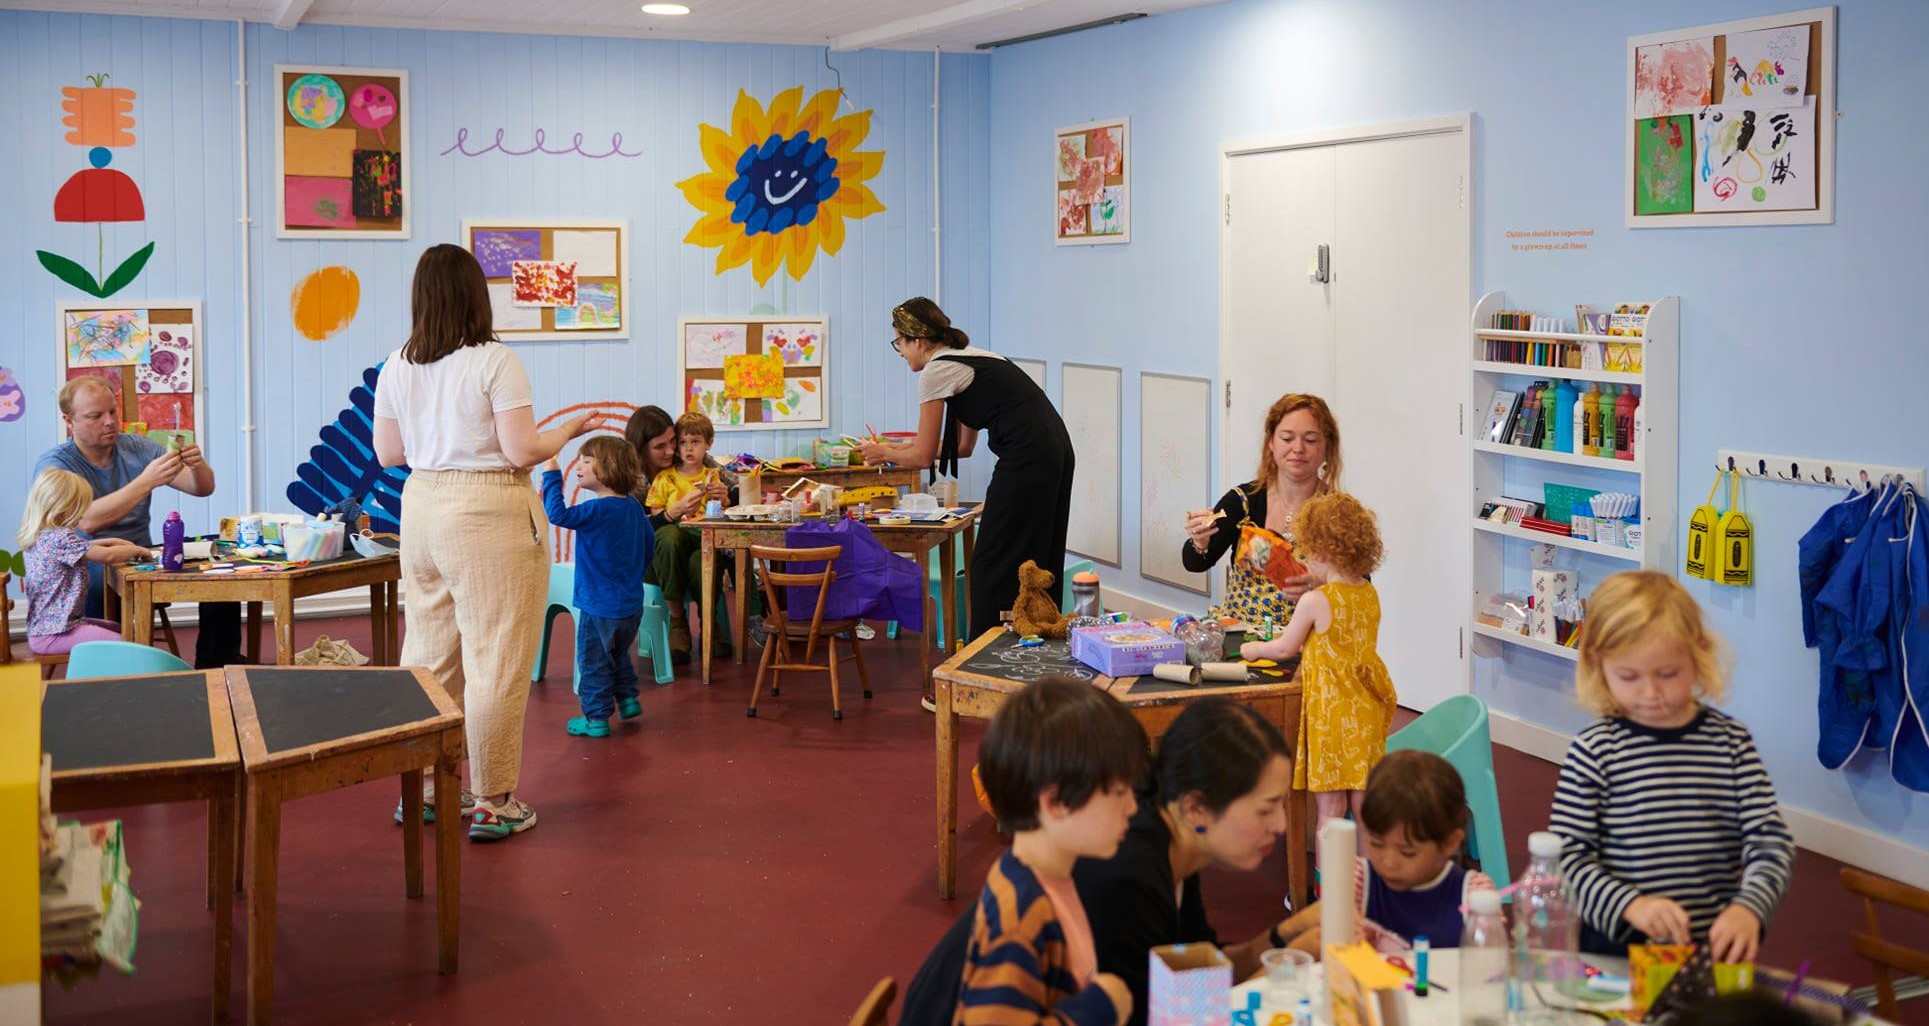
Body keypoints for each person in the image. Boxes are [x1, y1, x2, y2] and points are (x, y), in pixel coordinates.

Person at [373, 243, 614, 842]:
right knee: (497, 658)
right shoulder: (494, 360)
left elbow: (389, 456)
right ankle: (494, 800)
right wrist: (569, 429)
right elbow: (521, 450)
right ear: (476, 295)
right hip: (488, 509)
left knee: (427, 656)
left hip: (422, 507)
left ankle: (425, 791)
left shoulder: (396, 364)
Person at [1548, 570, 1794, 960]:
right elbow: (1567, 857)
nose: (1650, 693)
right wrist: (1631, 905)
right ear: (1599, 666)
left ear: (1697, 655)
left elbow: (1770, 842)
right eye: (1628, 676)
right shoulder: (1595, 750)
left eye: (1667, 674)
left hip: (1708, 949)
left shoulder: (1730, 744)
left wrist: (1749, 908)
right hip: (1617, 951)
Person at [856, 298, 1076, 708]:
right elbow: (961, 446)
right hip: (1055, 449)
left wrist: (884, 452)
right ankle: (1030, 668)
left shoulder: (937, 371)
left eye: (899, 343)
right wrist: (893, 447)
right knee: (1036, 556)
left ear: (919, 340)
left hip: (1027, 455)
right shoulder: (970, 359)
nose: (901, 353)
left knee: (991, 563)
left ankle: (977, 680)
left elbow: (923, 457)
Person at [1071, 698, 1314, 1026]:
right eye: (1265, 809)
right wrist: (1277, 975)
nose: (1280, 826)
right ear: (1195, 808)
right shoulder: (1127, 878)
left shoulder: (1176, 844)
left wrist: (1291, 933)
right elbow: (1165, 1016)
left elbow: (1202, 969)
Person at [956, 677, 1142, 1026]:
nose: (1133, 806)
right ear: (1055, 802)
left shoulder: (1052, 875)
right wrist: (1099, 1006)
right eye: (1119, 793)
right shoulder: (1022, 915)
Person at [34, 376, 243, 667]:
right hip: (90, 558)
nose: (109, 422)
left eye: (113, 412)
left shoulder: (138, 447)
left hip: (141, 553)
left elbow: (201, 488)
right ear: (69, 420)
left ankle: (216, 662)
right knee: (94, 578)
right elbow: (87, 522)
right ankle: (113, 665)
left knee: (220, 565)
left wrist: (197, 465)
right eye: (96, 416)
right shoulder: (56, 465)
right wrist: (146, 482)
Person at [1240, 491, 1396, 836]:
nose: (1306, 561)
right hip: (1365, 712)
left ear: (1323, 551)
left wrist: (1254, 649)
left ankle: (1330, 884)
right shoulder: (1369, 595)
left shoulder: (1316, 600)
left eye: (1308, 552)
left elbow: (1284, 648)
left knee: (1331, 812)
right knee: (1365, 807)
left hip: (1331, 717)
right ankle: (1371, 883)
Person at [1181, 394, 1342, 653]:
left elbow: (1361, 585)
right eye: (1287, 438)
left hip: (1309, 644)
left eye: (1310, 440)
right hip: (1241, 638)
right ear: (1270, 443)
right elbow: (1195, 563)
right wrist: (1200, 542)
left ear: (1327, 447)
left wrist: (1322, 583)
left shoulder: (1339, 512)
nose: (1298, 449)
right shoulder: (1243, 501)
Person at [540, 435, 655, 738]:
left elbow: (557, 515)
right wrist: (633, 577)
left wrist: (551, 472)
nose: (579, 465)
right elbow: (649, 545)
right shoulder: (632, 508)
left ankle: (595, 719)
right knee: (617, 655)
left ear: (608, 470)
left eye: (587, 460)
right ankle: (628, 700)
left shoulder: (596, 511)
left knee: (593, 662)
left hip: (598, 606)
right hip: (630, 605)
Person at [1353, 750, 1495, 950]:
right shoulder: (1357, 880)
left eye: (1407, 852)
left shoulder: (1474, 893)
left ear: (1450, 843)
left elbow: (1488, 966)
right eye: (1376, 843)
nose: (1388, 862)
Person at [624, 405, 730, 663]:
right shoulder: (630, 478)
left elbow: (734, 488)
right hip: (651, 557)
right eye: (661, 446)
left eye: (674, 441)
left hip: (698, 549)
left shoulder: (696, 462)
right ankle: (678, 623)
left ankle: (711, 624)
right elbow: (629, 532)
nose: (673, 450)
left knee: (699, 560)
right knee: (670, 537)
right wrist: (670, 514)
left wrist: (728, 496)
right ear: (641, 448)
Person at [17, 469, 150, 655]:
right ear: (63, 508)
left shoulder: (44, 536)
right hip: (55, 634)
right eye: (80, 507)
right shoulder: (60, 538)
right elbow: (108, 556)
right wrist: (139, 550)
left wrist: (113, 542)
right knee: (124, 643)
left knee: (118, 628)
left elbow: (86, 547)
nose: (83, 513)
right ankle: (113, 679)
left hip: (52, 628)